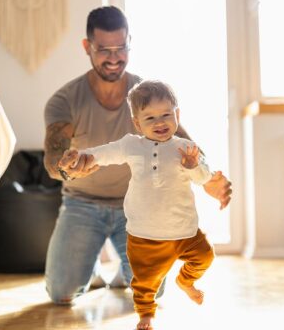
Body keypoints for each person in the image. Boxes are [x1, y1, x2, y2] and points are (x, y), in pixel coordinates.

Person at [43, 5, 231, 306]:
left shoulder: (146, 96)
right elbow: (53, 159)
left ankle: (122, 274)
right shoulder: (65, 100)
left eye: (121, 47)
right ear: (87, 47)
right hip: (81, 204)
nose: (114, 57)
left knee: (153, 292)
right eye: (104, 49)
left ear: (130, 42)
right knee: (61, 293)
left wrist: (207, 178)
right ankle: (88, 266)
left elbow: (187, 146)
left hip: (139, 211)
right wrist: (67, 169)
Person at [61, 80, 216, 330]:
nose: (160, 123)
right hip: (144, 234)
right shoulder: (131, 145)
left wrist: (193, 166)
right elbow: (104, 153)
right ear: (137, 123)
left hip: (185, 231)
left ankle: (186, 281)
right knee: (144, 282)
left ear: (177, 114)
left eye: (166, 114)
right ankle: (146, 315)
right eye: (150, 118)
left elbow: (204, 178)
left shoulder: (185, 148)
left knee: (205, 256)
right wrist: (81, 156)